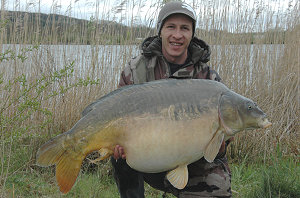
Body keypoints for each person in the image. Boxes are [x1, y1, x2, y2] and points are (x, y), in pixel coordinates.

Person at [111, 1, 232, 198]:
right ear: (160, 30)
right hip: (148, 156)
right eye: (171, 27)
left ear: (192, 33)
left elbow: (223, 143)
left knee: (217, 186)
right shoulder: (136, 70)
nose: (177, 35)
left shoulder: (209, 79)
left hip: (193, 161)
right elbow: (117, 111)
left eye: (185, 28)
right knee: (119, 157)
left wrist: (219, 147)